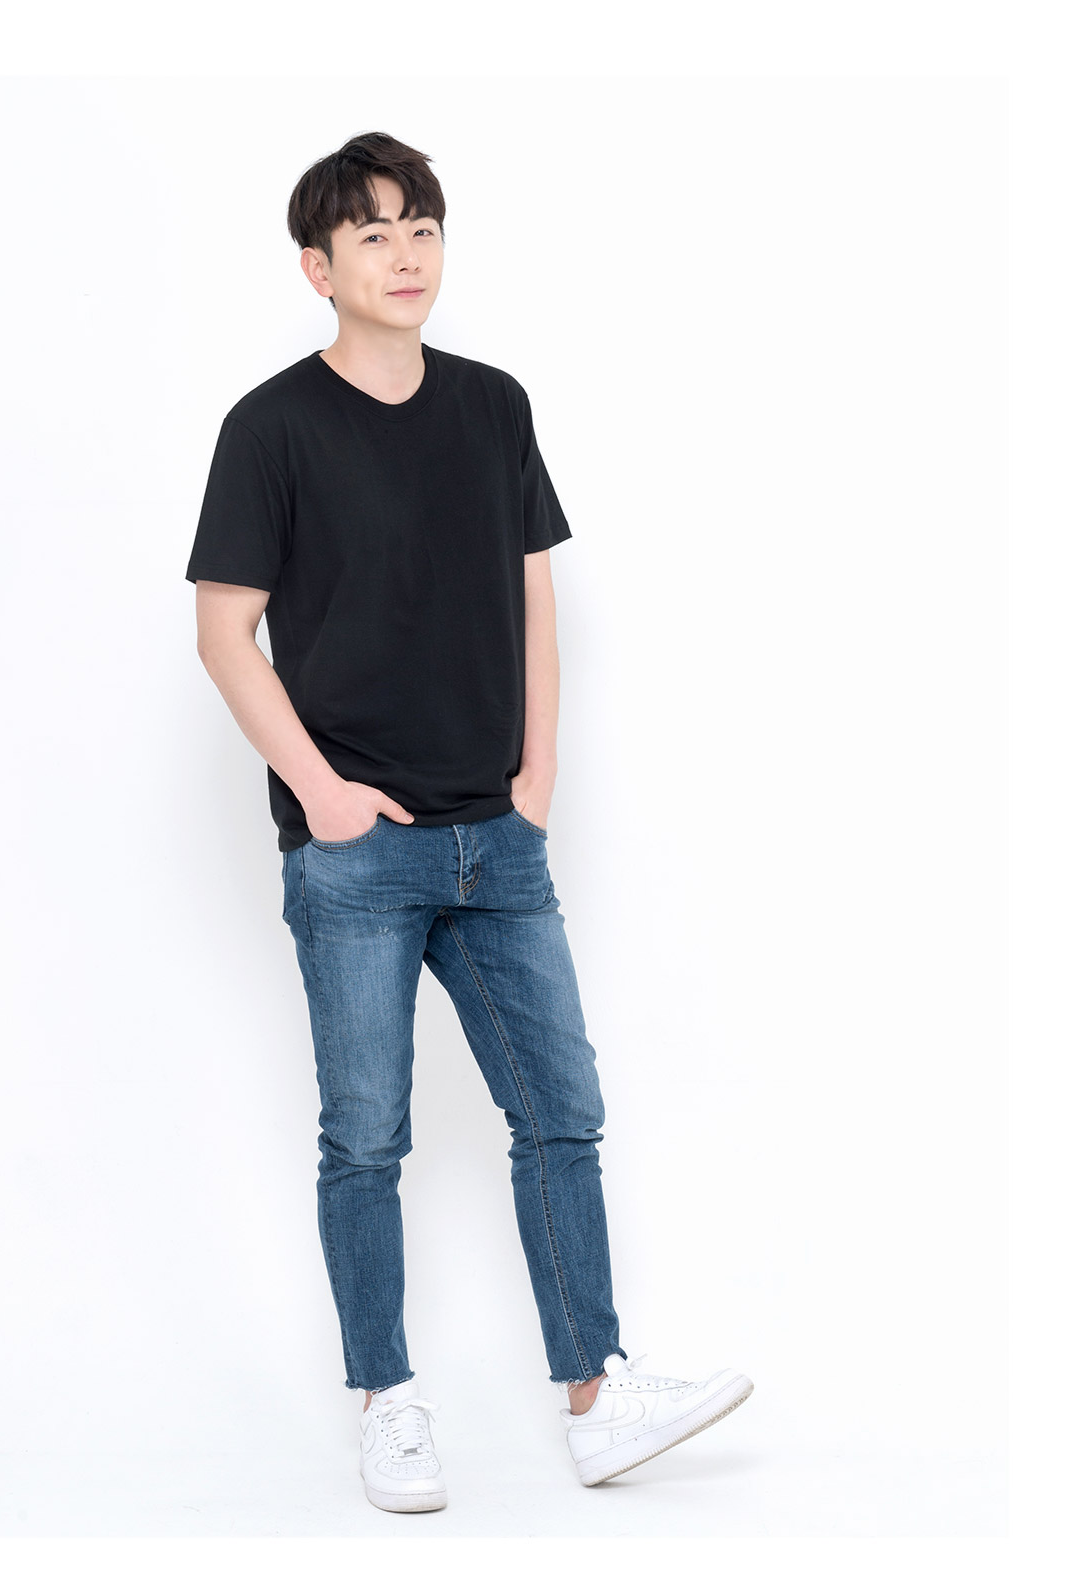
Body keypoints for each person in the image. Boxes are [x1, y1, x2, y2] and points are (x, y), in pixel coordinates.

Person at [186, 130, 753, 1513]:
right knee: (365, 1134)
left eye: (422, 226)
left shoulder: (494, 405)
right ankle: (386, 1401)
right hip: (357, 853)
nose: (405, 254)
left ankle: (594, 1394)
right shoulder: (270, 426)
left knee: (562, 1110)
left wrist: (536, 776)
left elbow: (533, 593)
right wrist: (322, 796)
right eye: (372, 234)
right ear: (317, 267)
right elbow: (222, 632)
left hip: (496, 840)